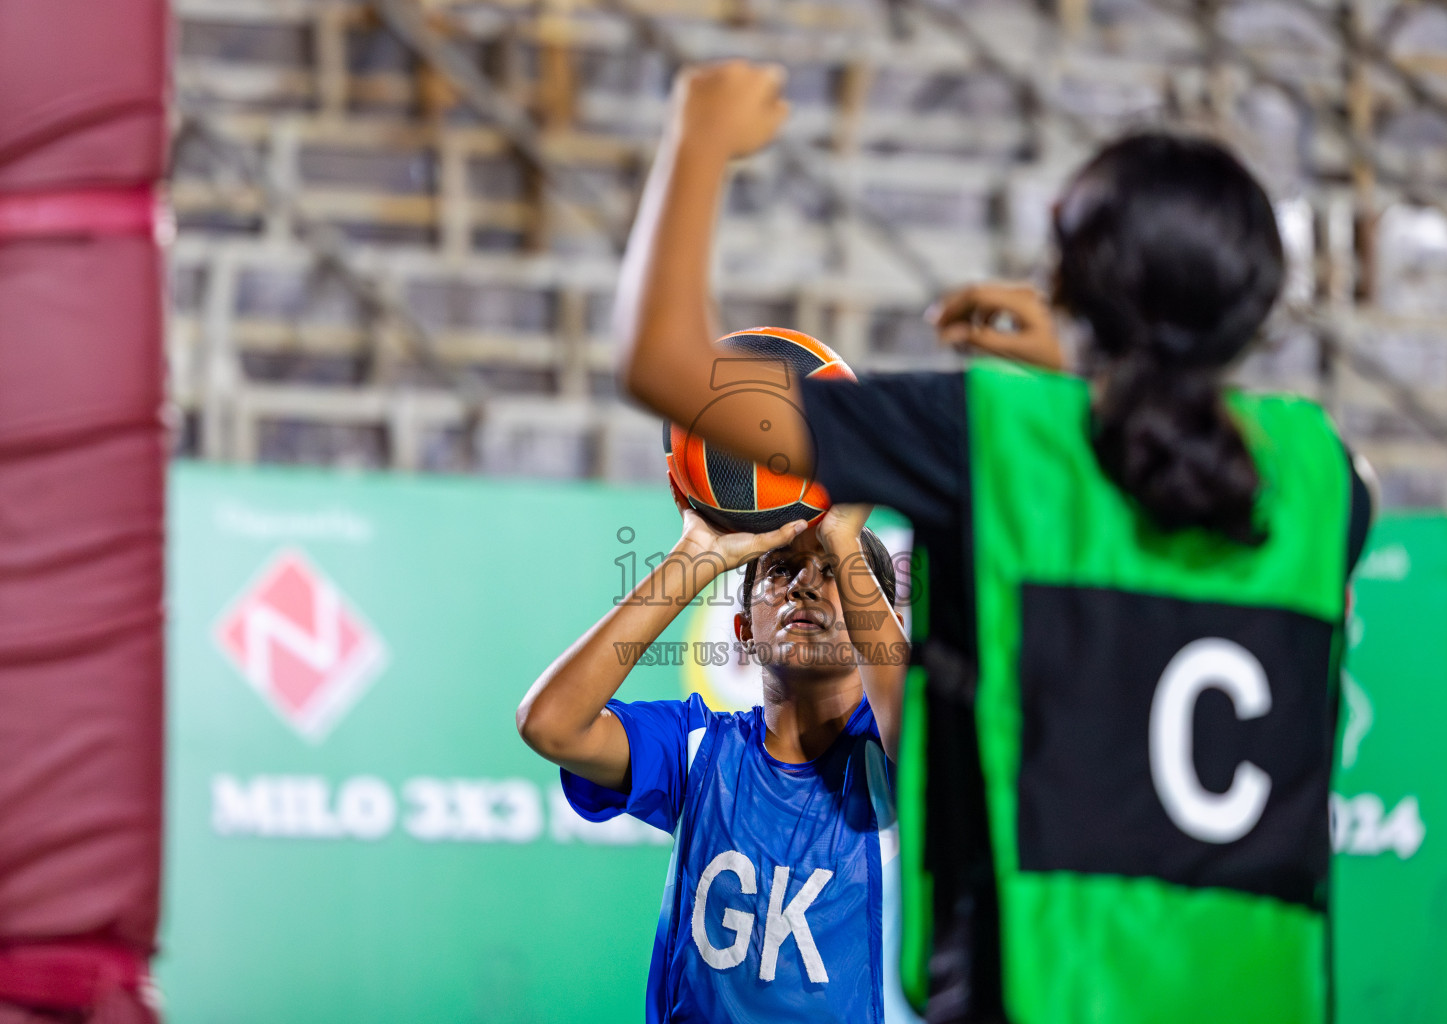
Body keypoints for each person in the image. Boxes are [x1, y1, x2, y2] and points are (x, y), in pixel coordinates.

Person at [610, 61, 1374, 1024]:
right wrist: (1089, 368)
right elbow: (1175, 459)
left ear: (1074, 282)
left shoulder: (998, 438)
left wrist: (700, 135)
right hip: (1258, 996)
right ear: (1257, 301)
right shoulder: (1326, 476)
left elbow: (664, 362)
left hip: (1043, 986)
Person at [517, 487, 919, 1024]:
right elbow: (550, 724)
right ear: (743, 630)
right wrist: (696, 555)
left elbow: (925, 745)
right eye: (780, 571)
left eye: (832, 571)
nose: (803, 583)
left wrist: (843, 537)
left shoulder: (895, 761)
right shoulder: (697, 747)